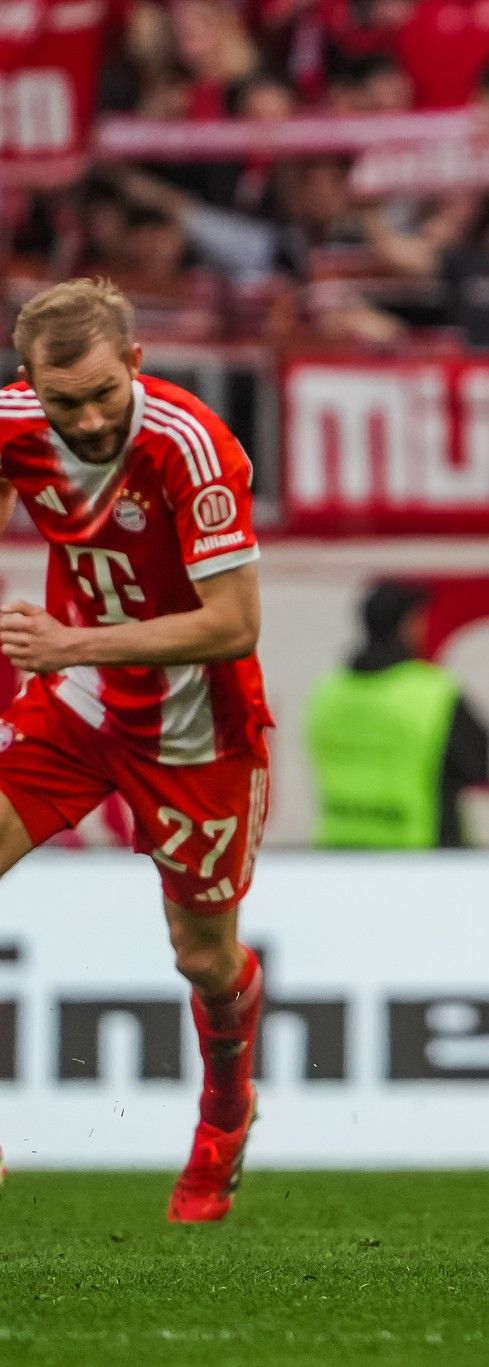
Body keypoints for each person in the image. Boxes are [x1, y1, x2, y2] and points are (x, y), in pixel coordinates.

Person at [0, 279, 274, 1220]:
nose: (86, 417)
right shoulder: (15, 423)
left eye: (103, 394)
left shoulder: (191, 446)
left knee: (203, 957)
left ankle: (225, 1113)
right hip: (75, 704)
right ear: (28, 381)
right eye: (62, 399)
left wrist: (69, 641)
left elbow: (233, 625)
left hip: (196, 729)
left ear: (136, 368)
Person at [304, 581, 489, 850]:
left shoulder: (327, 692)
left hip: (340, 852)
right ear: (408, 625)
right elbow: (479, 767)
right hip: (420, 855)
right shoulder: (432, 693)